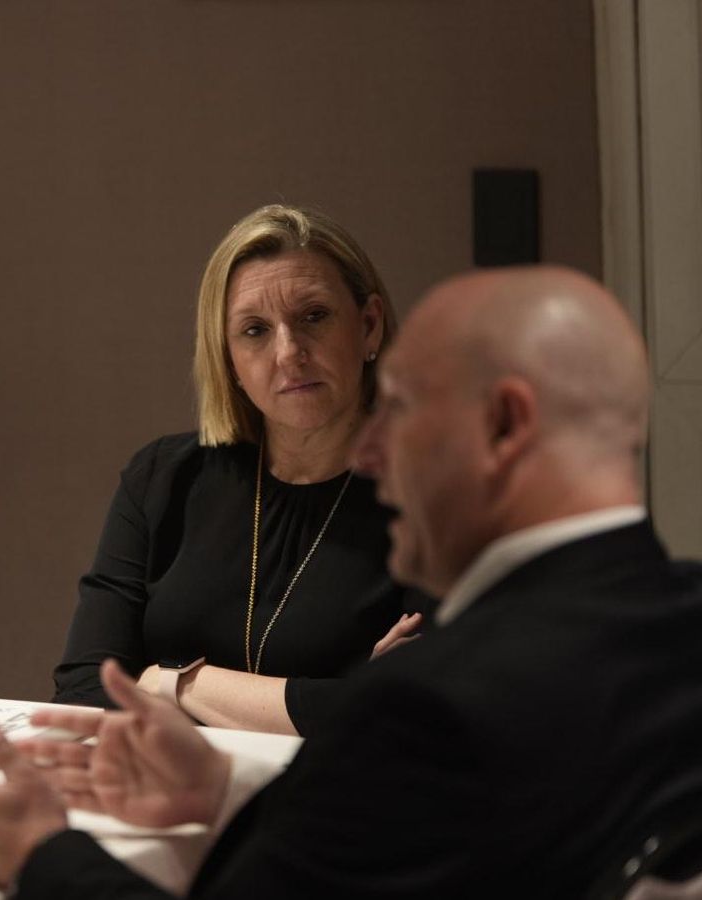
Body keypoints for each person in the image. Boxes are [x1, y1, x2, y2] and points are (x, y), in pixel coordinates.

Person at [0, 266, 702, 897]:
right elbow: (452, 836)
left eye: (402, 406)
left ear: (504, 426)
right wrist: (226, 793)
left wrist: (37, 855)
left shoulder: (427, 705)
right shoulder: (697, 616)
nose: (372, 447)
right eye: (253, 331)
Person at [54, 204, 425, 736]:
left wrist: (175, 684)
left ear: (368, 326)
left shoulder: (444, 498)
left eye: (314, 317)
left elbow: (414, 716)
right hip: (172, 799)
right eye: (254, 330)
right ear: (228, 359)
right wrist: (337, 698)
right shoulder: (161, 479)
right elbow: (84, 693)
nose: (289, 352)